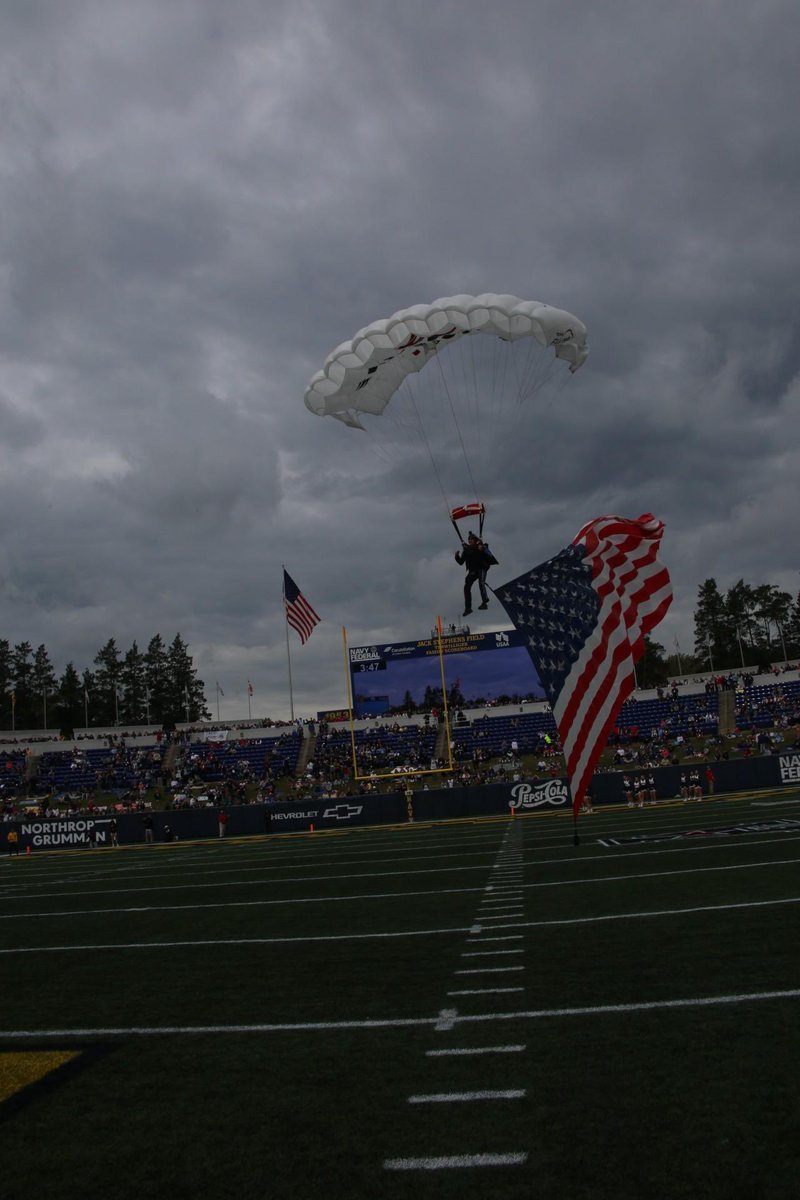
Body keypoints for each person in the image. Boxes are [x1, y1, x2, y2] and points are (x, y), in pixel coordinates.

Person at [455, 532, 491, 615]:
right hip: (473, 571)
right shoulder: (466, 550)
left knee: (481, 583)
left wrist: (483, 549)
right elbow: (461, 562)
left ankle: (485, 601)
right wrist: (457, 556)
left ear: (475, 540)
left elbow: (487, 554)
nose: (470, 541)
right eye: (469, 539)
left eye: (471, 539)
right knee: (466, 586)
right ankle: (468, 608)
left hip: (482, 568)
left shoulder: (480, 547)